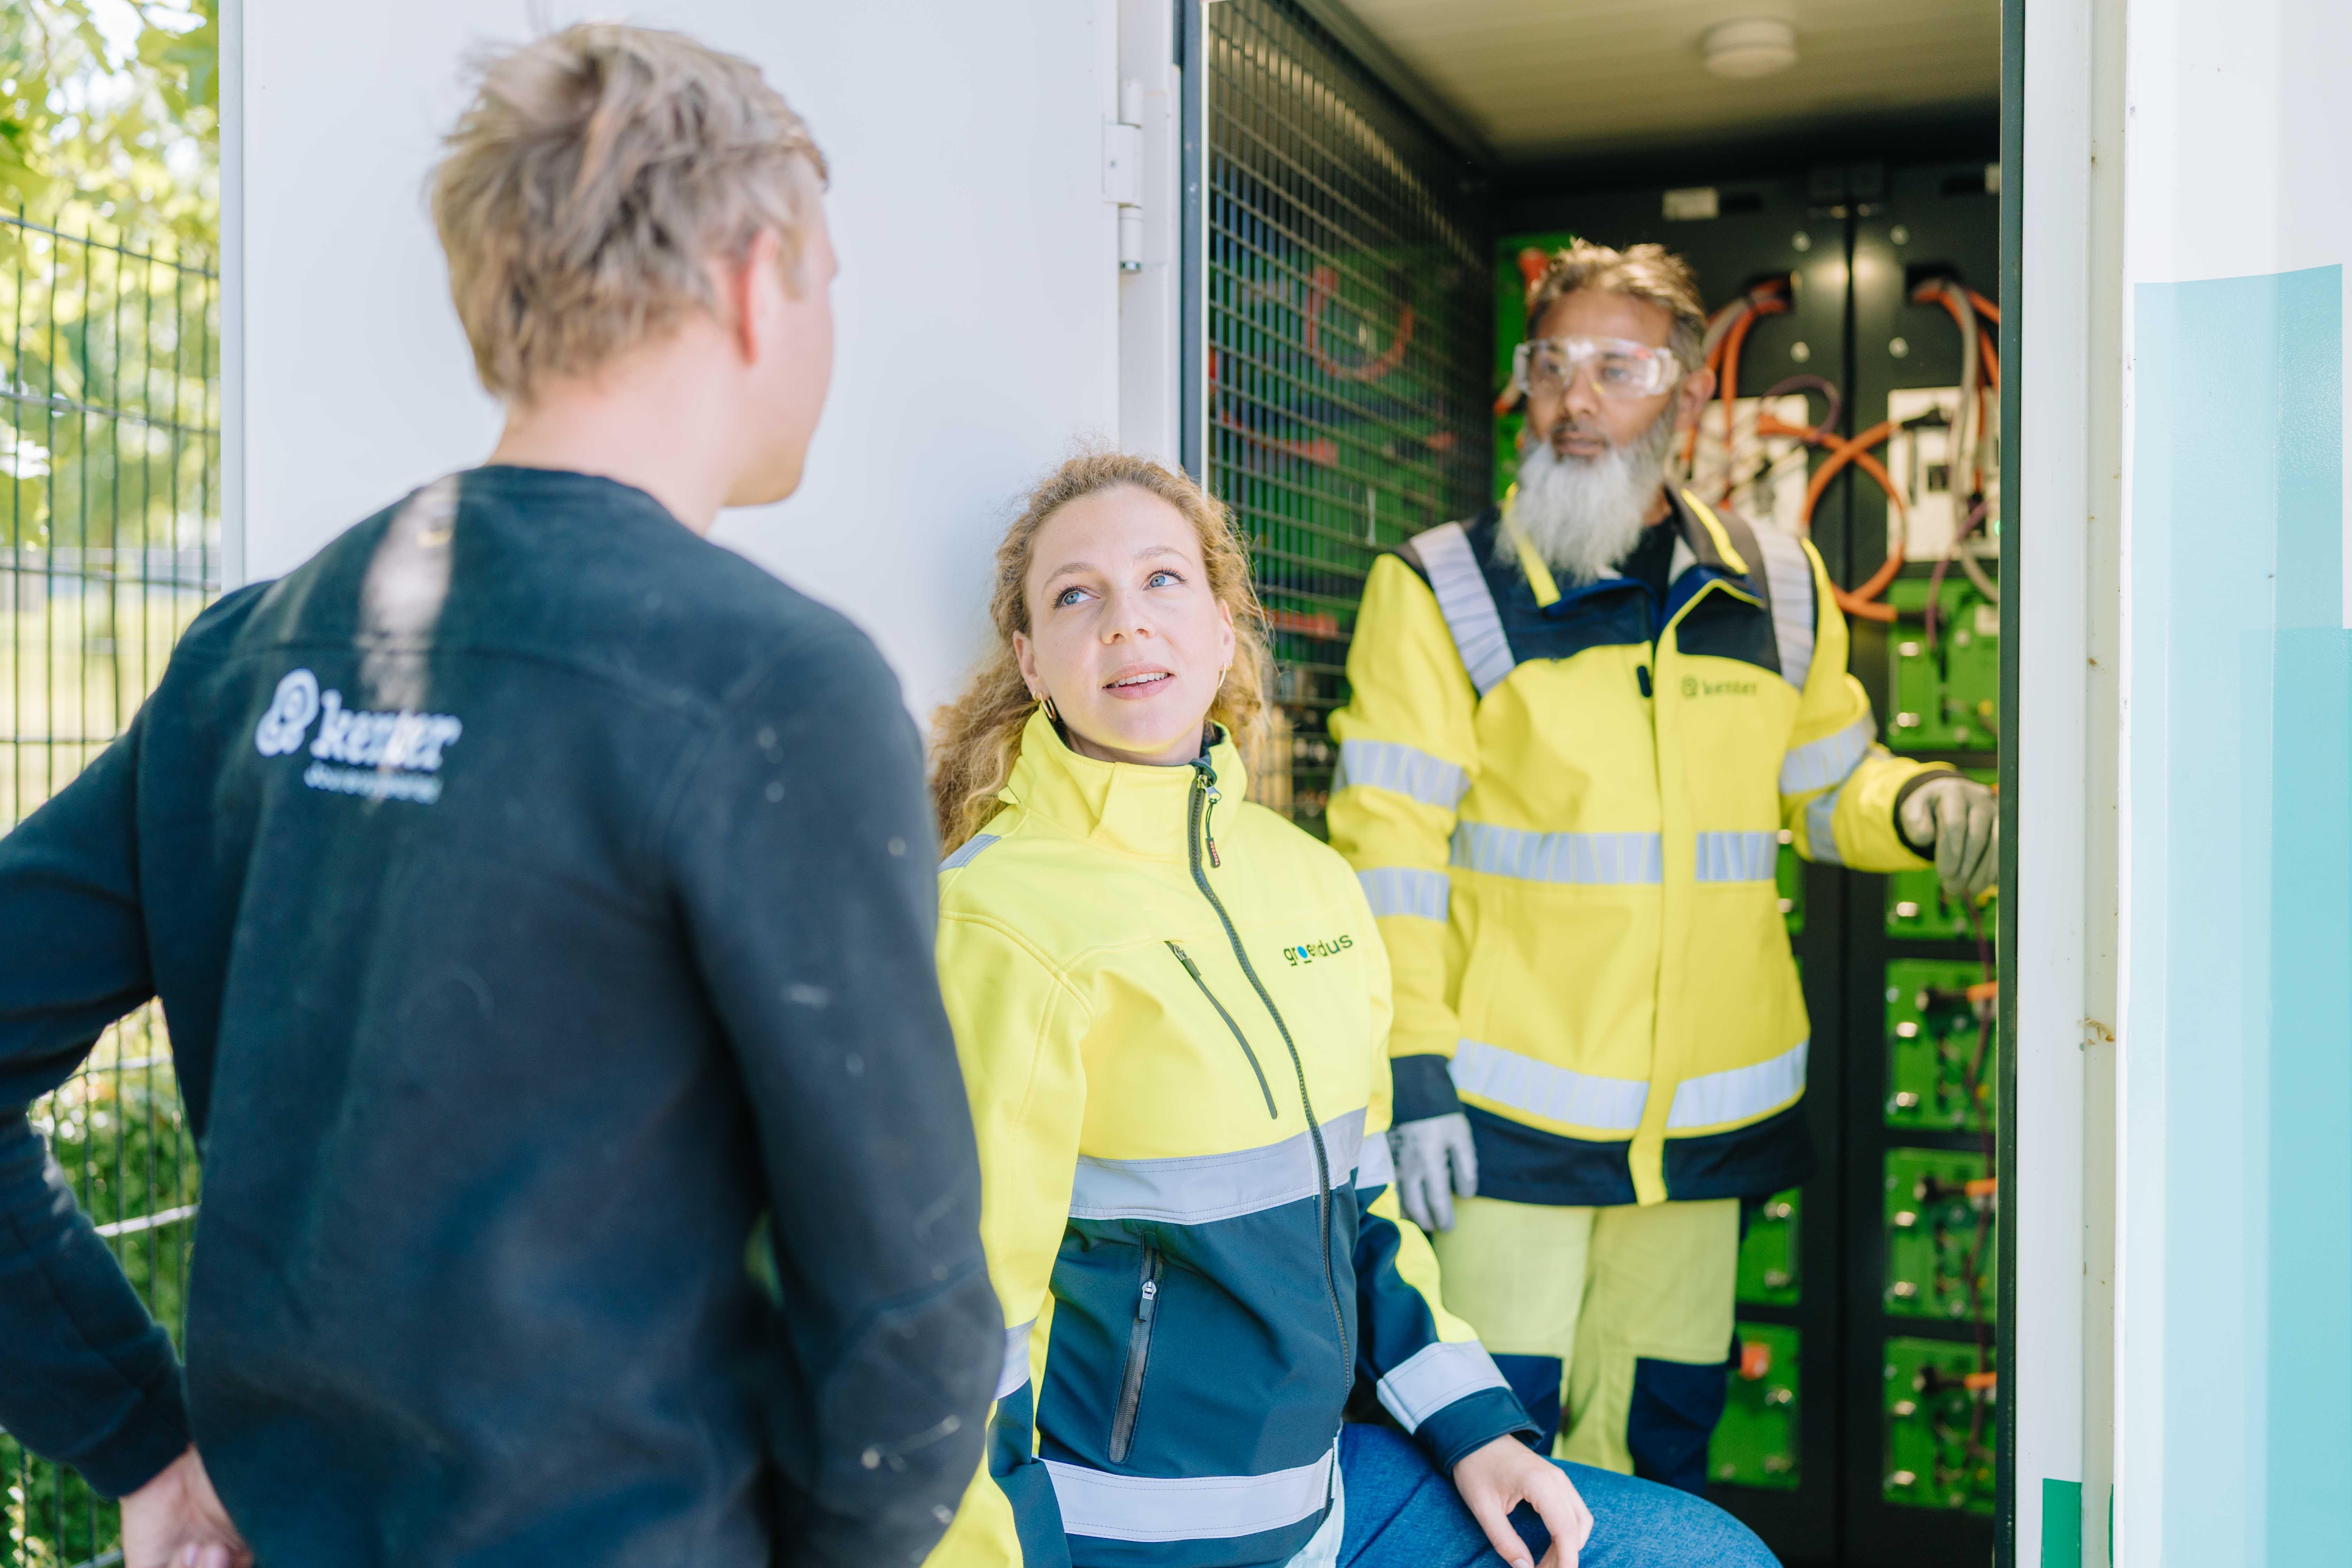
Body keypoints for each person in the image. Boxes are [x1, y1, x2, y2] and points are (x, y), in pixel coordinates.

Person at [0, 25, 997, 1568]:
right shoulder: (772, 688)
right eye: (829, 279)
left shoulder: (248, 661)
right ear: (751, 277)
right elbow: (905, 1315)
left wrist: (141, 1441)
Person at [917, 451, 1778, 1568]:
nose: (1127, 622)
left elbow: (1365, 1212)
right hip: (1129, 1540)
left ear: (1225, 629)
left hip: (1331, 1502)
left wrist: (1477, 1431)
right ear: (1033, 661)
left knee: (1707, 1558)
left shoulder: (1308, 881)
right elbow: (949, 1325)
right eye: (1077, 595)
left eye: (1164, 580)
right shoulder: (994, 921)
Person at [1330, 241, 1998, 1489]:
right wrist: (1409, 1077)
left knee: (1652, 1455)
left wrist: (1920, 805)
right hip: (1504, 1131)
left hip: (1703, 1133)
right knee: (1483, 1450)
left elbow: (1826, 788)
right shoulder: (1441, 591)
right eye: (1552, 366)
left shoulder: (1784, 588)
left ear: (1688, 397)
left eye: (1617, 370)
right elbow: (1388, 863)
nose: (1576, 401)